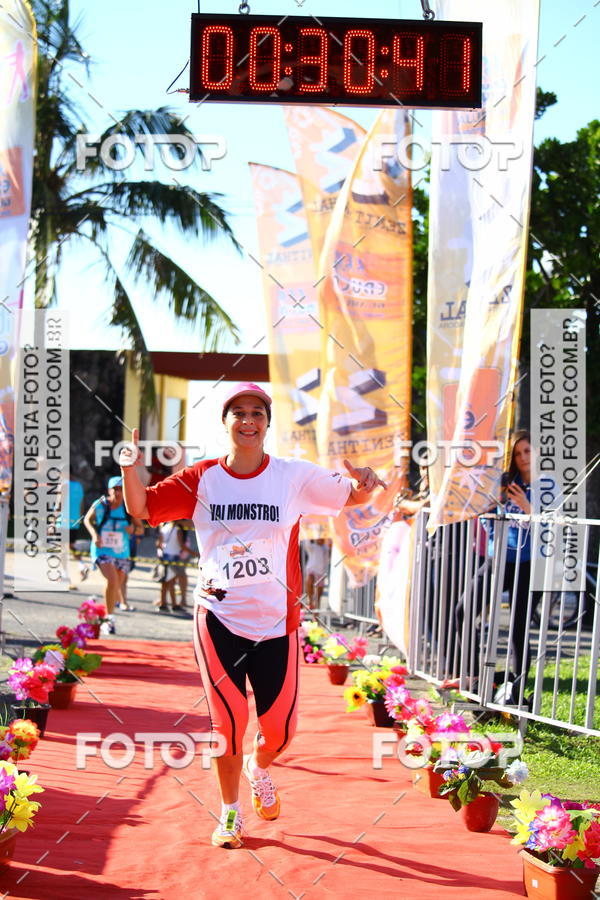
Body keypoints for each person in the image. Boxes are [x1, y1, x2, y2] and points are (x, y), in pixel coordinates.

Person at [118, 382, 387, 849]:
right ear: (225, 423)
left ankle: (258, 766)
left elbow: (356, 497)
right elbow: (141, 506)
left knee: (280, 732)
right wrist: (129, 467)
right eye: (238, 413)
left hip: (276, 623)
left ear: (267, 423)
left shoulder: (294, 477)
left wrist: (364, 481)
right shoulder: (201, 478)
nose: (248, 420)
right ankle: (229, 813)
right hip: (218, 618)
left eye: (257, 413)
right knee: (227, 724)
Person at [83, 476, 143, 633]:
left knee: (115, 585)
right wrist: (94, 535)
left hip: (122, 552)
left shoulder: (129, 507)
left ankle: (104, 615)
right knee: (112, 579)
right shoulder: (101, 504)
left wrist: (134, 530)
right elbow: (87, 520)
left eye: (121, 489)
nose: (118, 492)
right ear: (109, 490)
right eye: (115, 489)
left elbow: (141, 528)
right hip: (102, 549)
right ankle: (109, 619)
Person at [303, 538, 330, 611]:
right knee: (310, 579)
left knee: (318, 596)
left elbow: (327, 560)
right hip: (311, 570)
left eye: (322, 538)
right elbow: (306, 542)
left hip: (321, 573)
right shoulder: (312, 547)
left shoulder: (325, 548)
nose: (321, 540)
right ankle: (310, 600)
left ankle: (316, 617)